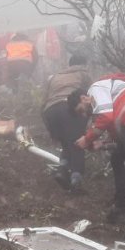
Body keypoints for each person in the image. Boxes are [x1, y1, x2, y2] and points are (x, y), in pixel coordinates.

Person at [70, 74, 125, 237]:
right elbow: (120, 137)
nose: (84, 115)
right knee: (117, 158)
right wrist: (101, 144)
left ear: (84, 98)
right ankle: (121, 206)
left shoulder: (95, 88)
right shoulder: (112, 96)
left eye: (81, 110)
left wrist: (87, 138)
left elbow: (106, 117)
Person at [40, 53, 91, 190]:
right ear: (84, 64)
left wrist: (48, 124)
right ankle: (76, 181)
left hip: (50, 111)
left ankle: (62, 170)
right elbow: (89, 96)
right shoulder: (83, 74)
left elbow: (44, 99)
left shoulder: (55, 76)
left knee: (66, 143)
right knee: (78, 143)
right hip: (68, 108)